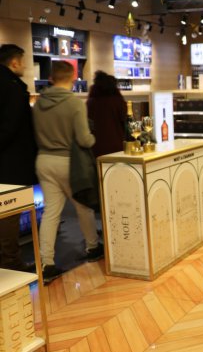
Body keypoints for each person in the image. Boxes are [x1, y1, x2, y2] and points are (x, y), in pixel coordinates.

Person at [32, 61, 103, 284]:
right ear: (73, 77)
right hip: (69, 162)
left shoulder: (39, 102)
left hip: (44, 160)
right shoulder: (74, 103)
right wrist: (93, 137)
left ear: (51, 78)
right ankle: (93, 247)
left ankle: (46, 262)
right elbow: (84, 139)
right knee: (83, 205)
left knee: (51, 212)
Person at [0, 44, 38, 272]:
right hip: (12, 163)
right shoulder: (12, 88)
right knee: (10, 213)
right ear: (14, 62)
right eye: (22, 61)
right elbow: (11, 127)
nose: (24, 66)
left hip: (7, 162)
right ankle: (11, 261)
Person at [87, 70, 127, 158]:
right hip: (116, 145)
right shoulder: (118, 101)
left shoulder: (91, 102)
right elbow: (125, 122)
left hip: (95, 147)